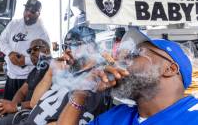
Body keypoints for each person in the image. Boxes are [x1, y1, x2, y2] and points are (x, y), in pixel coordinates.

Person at [57, 29, 198, 125]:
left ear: (170, 69)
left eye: (135, 53)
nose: (122, 60)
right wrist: (81, 93)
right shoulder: (117, 116)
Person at [19, 26, 116, 125]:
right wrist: (50, 73)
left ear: (91, 47)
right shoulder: (67, 73)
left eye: (74, 44)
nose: (67, 50)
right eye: (65, 46)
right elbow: (33, 103)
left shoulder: (96, 77)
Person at [0, 39, 51, 125]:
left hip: (32, 115)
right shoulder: (36, 70)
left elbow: (43, 102)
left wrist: (16, 107)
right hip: (22, 110)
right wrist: (12, 105)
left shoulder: (52, 70)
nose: (32, 52)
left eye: (36, 49)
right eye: (29, 51)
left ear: (46, 50)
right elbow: (21, 91)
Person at [0, 0, 50, 100]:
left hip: (27, 79)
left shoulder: (42, 32)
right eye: (27, 10)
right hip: (11, 76)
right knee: (6, 108)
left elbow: (45, 58)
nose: (28, 14)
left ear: (38, 14)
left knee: (19, 111)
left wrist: (25, 61)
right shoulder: (14, 24)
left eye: (32, 12)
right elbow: (2, 40)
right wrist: (10, 53)